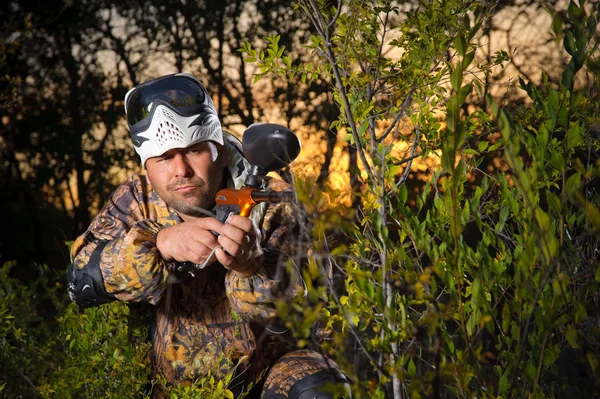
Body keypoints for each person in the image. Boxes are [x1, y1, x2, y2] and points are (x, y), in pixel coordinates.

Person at [67, 73, 351, 398]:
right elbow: (79, 284)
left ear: (221, 150)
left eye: (194, 150)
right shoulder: (137, 198)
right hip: (168, 387)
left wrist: (253, 265)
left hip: (266, 380)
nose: (181, 170)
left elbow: (310, 319)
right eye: (163, 158)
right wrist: (161, 245)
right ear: (147, 166)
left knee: (320, 388)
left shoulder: (273, 203)